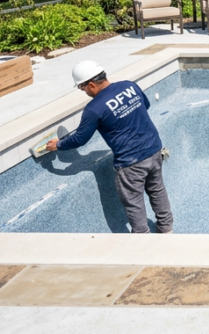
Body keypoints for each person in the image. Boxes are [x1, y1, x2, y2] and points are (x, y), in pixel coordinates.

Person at [46, 60, 173, 233]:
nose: (83, 92)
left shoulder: (94, 108)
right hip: (154, 149)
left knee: (134, 202)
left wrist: (58, 145)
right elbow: (146, 105)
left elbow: (80, 139)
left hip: (131, 162)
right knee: (157, 190)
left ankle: (143, 240)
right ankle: (167, 230)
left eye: (82, 88)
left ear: (91, 84)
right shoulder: (129, 86)